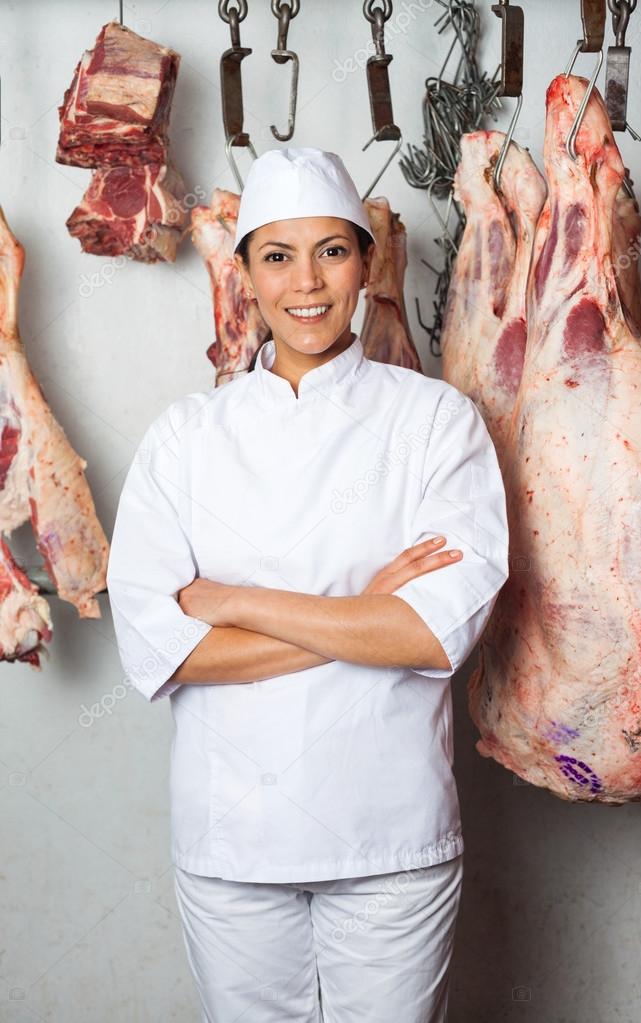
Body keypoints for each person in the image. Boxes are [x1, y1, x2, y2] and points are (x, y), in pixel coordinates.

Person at [106, 147, 509, 1022]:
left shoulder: (438, 422)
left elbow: (431, 634)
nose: (308, 283)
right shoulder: (185, 438)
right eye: (278, 256)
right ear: (245, 272)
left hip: (391, 839)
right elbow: (157, 648)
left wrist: (234, 601)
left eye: (332, 250)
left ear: (367, 261)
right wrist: (364, 607)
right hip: (232, 845)